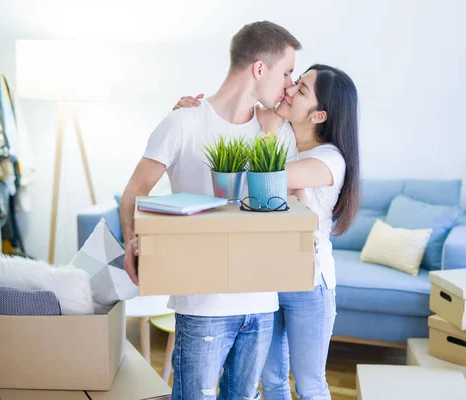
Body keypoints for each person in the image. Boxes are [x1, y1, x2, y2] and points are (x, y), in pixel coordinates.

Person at [121, 21, 301, 400]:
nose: (289, 83)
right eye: (286, 72)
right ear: (259, 69)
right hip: (203, 305)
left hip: (262, 303)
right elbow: (135, 191)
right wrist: (133, 244)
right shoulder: (183, 122)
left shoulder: (276, 132)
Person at [173, 63, 360, 400]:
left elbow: (267, 180)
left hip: (310, 282)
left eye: (301, 90)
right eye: (295, 81)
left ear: (319, 116)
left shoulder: (330, 159)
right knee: (272, 380)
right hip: (272, 277)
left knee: (310, 384)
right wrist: (193, 116)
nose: (288, 89)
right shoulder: (285, 136)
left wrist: (269, 127)